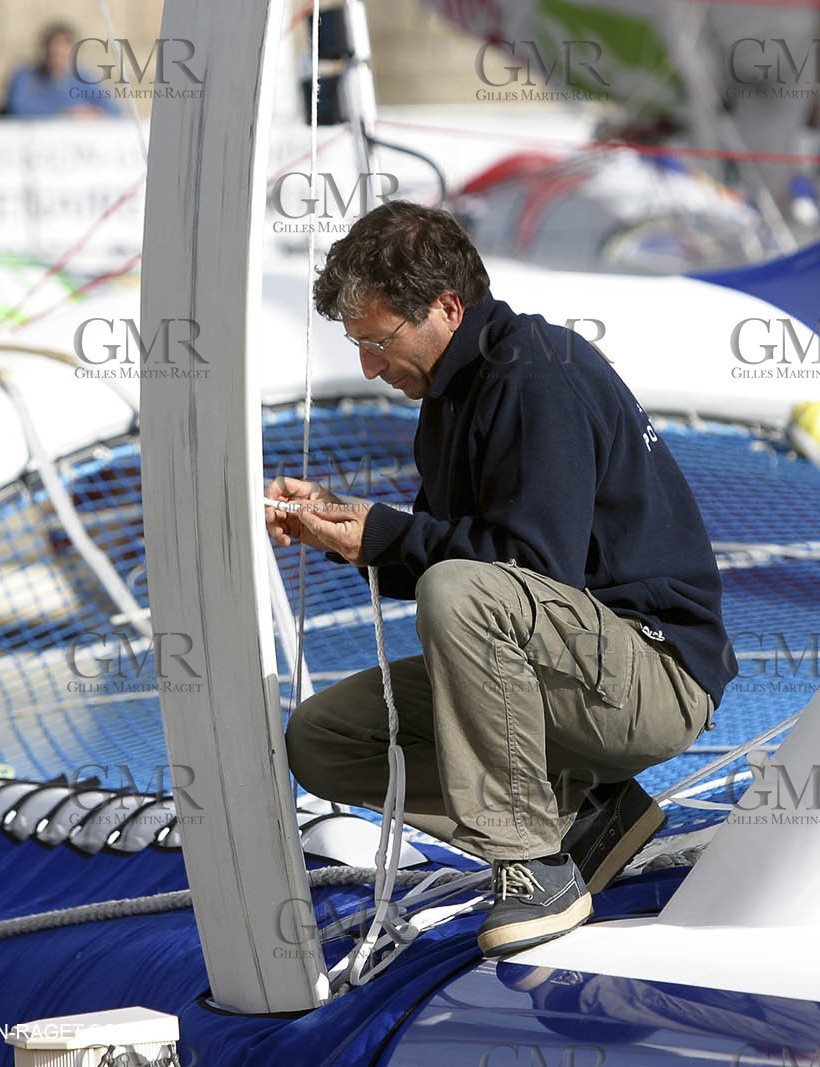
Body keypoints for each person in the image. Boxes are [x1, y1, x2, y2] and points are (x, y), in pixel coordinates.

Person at [269, 202, 734, 958]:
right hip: (569, 664)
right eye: (359, 345)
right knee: (323, 740)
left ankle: (533, 864)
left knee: (457, 593)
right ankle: (585, 816)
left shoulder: (536, 375)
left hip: (657, 671)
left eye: (378, 341)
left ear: (446, 308)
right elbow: (457, 555)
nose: (369, 367)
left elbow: (519, 567)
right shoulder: (453, 397)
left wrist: (381, 532)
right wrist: (342, 530)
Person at [0, 22, 119, 118]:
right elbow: (17, 109)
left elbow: (115, 112)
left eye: (63, 54)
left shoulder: (85, 79)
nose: (58, 59)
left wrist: (96, 113)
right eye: (54, 54)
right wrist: (64, 113)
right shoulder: (25, 77)